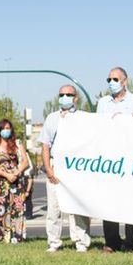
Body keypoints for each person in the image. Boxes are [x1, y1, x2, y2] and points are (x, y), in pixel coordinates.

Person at [96, 67, 133, 252]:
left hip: (130, 159)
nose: (111, 83)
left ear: (125, 81)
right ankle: (111, 242)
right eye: (109, 80)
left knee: (131, 201)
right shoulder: (103, 103)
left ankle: (131, 242)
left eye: (115, 79)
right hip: (109, 159)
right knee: (109, 201)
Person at [40, 85, 91, 253]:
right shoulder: (51, 118)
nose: (65, 97)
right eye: (62, 94)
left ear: (75, 98)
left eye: (69, 95)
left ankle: (81, 241)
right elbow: (45, 145)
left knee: (77, 207)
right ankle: (54, 241)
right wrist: (48, 169)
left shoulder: (83, 118)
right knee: (54, 207)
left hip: (76, 167)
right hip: (56, 165)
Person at [0, 118, 30, 243]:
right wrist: (6, 175)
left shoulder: (17, 143)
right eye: (3, 129)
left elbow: (25, 162)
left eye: (8, 128)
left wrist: (16, 173)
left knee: (17, 207)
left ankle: (17, 236)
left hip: (16, 180)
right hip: (1, 181)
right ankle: (3, 236)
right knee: (2, 208)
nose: (6, 131)